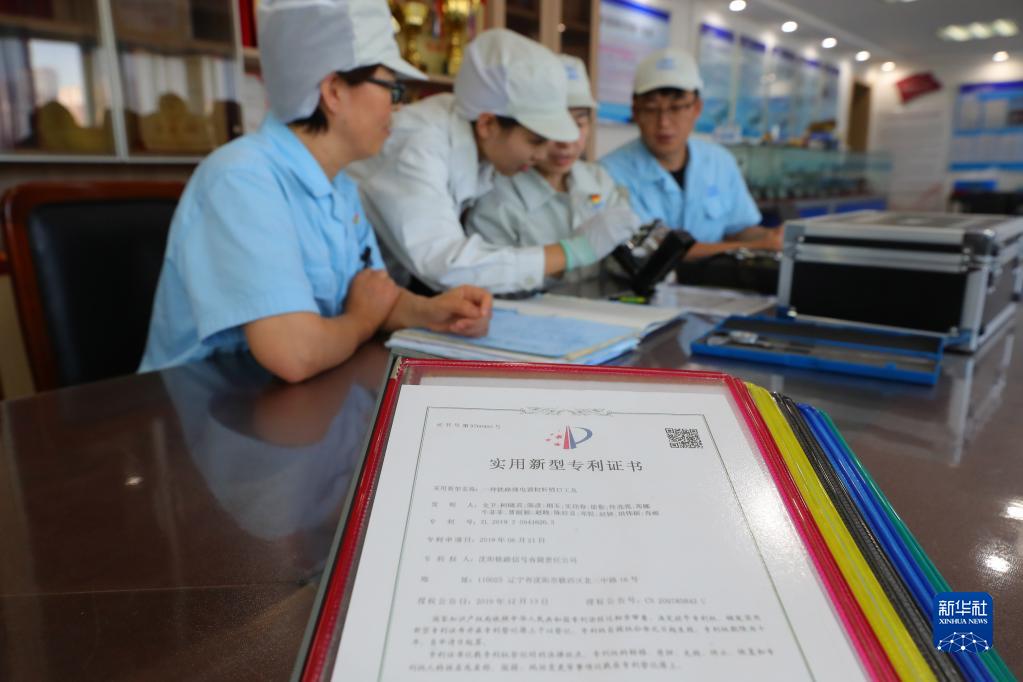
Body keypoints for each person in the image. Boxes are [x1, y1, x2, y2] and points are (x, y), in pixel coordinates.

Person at [139, 0, 492, 384]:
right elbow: (295, 353)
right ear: (334, 91)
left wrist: (433, 312)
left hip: (290, 398)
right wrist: (360, 321)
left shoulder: (339, 185)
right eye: (392, 89)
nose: (398, 107)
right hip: (197, 403)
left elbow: (374, 295)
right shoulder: (242, 179)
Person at [349, 29, 637, 295]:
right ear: (487, 124)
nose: (541, 155)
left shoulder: (479, 143)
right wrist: (573, 252)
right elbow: (445, 265)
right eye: (535, 141)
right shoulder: (417, 146)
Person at [465, 55, 638, 286]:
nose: (567, 141)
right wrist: (571, 254)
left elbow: (627, 257)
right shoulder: (495, 194)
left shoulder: (598, 180)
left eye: (578, 124)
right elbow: (489, 282)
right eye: (556, 125)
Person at [600, 48, 782, 260]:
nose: (664, 123)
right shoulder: (608, 174)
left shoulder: (720, 162)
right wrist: (759, 245)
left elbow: (740, 228)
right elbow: (655, 252)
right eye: (651, 109)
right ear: (635, 111)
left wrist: (773, 236)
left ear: (696, 108)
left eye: (676, 108)